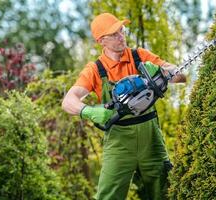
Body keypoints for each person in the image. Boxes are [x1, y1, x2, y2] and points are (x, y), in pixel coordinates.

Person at [62, 12, 186, 200]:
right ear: (101, 41)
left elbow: (181, 76)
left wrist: (161, 71)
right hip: (119, 144)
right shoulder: (95, 70)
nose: (122, 36)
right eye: (115, 34)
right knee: (108, 196)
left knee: (165, 192)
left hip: (151, 138)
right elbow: (68, 101)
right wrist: (87, 110)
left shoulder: (140, 57)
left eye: (122, 30)